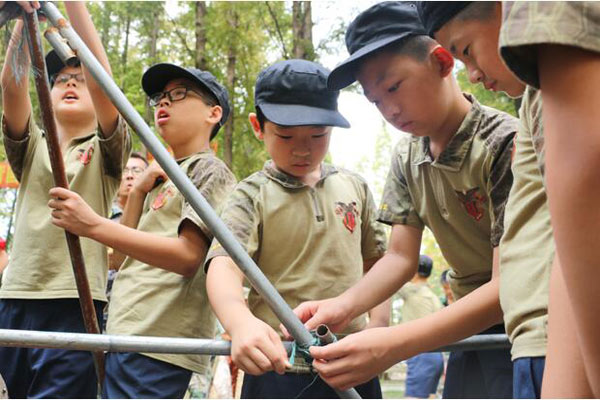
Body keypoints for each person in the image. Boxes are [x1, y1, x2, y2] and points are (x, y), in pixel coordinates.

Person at [291, 3, 517, 398]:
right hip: (465, 325)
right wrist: (342, 307)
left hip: (522, 321)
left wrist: (394, 343)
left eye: (393, 87)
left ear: (442, 61)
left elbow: (508, 283)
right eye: (375, 101)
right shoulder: (407, 156)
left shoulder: (503, 143)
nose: (390, 110)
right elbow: (399, 257)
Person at [419, 2, 598, 397]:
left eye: (466, 50)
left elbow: (587, 188)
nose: (475, 74)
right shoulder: (536, 97)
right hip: (544, 341)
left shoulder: (551, 27)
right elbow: (563, 253)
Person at [48, 63, 236, 398]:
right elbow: (120, 259)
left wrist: (93, 224)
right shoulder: (165, 176)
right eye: (161, 98)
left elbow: (187, 256)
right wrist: (136, 193)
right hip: (130, 328)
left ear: (213, 113)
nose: (164, 103)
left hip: (159, 339)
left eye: (178, 94)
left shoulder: (209, 169)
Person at [205, 59, 389, 399]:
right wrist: (240, 322)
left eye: (318, 135)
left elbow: (379, 262)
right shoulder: (251, 194)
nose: (303, 149)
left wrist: (378, 328)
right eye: (286, 135)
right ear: (258, 127)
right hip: (280, 364)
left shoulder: (355, 187)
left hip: (353, 358)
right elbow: (224, 266)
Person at [0, 3, 130, 398]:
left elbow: (103, 79)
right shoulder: (34, 145)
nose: (71, 83)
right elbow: (12, 86)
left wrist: (70, 7)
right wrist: (26, 18)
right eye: (61, 80)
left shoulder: (108, 150)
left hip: (75, 301)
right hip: (17, 295)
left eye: (80, 79)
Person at [398, 255, 444, 399]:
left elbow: (391, 279)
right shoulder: (433, 297)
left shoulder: (410, 291)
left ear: (414, 271)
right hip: (437, 356)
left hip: (421, 355)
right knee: (430, 396)